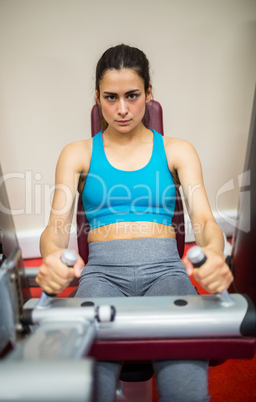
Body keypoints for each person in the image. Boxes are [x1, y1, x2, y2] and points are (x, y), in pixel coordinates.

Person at [36, 44, 233, 402]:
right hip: (101, 277)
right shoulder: (77, 153)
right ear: (96, 97)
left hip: (167, 273)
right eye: (110, 97)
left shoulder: (178, 150)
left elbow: (204, 219)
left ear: (149, 94)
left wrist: (215, 253)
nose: (122, 109)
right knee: (86, 389)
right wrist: (51, 256)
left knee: (185, 392)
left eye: (132, 95)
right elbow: (56, 227)